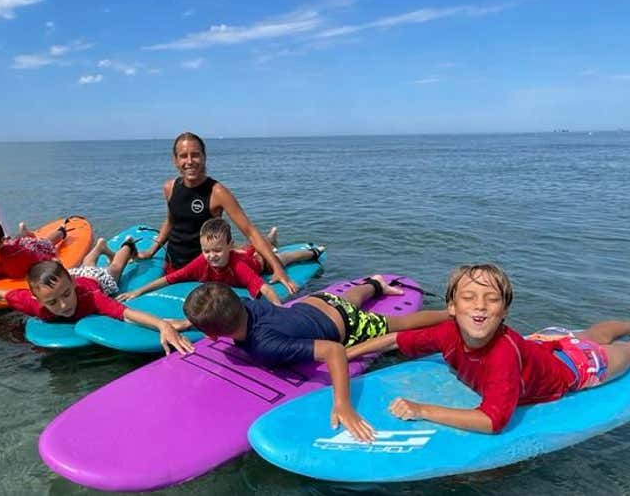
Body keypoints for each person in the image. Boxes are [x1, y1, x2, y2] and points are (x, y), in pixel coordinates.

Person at [346, 264, 630, 435]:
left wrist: (422, 409)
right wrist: (347, 354)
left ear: (504, 312)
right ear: (451, 308)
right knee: (590, 333)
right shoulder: (446, 331)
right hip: (545, 344)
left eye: (491, 299)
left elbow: (492, 421)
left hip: (577, 367)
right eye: (469, 298)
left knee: (628, 354)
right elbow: (395, 339)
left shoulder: (502, 356)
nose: (479, 305)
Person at [182, 277, 451, 442]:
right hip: (317, 302)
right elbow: (222, 307)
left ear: (212, 335)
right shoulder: (241, 303)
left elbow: (334, 351)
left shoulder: (265, 345)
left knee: (396, 323)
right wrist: (180, 324)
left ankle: (450, 314)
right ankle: (375, 284)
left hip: (345, 324)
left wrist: (343, 404)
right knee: (349, 299)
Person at [137, 132, 299, 294]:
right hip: (175, 266)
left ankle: (282, 249)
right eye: (183, 156)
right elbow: (171, 220)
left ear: (204, 157)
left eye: (195, 155)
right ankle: (268, 241)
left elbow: (249, 231)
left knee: (258, 262)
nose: (189, 161)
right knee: (241, 249)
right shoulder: (170, 187)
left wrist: (278, 269)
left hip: (209, 265)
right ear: (175, 160)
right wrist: (152, 250)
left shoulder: (217, 192)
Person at [0, 260, 196, 355]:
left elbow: (127, 314)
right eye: (52, 302)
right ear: (38, 299)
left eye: (67, 295)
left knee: (114, 271)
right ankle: (96, 252)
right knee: (86, 265)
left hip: (94, 280)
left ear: (72, 285)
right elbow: (1, 294)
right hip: (69, 275)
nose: (64, 305)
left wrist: (162, 325)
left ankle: (127, 248)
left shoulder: (91, 298)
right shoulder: (34, 304)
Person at [118, 218, 323, 305]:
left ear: (228, 246)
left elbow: (264, 288)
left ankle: (311, 252)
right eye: (206, 251)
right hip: (240, 251)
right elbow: (170, 278)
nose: (211, 256)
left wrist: (279, 309)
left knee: (280, 258)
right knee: (250, 247)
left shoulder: (239, 266)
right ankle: (270, 238)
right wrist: (139, 291)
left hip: (256, 263)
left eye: (217, 250)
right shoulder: (202, 261)